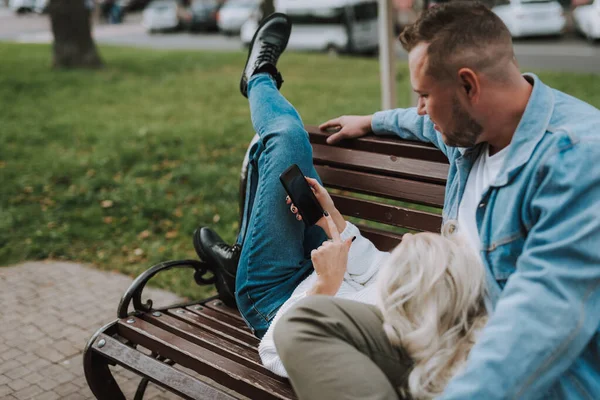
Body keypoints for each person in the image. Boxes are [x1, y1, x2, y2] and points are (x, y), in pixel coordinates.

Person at [270, 2, 600, 400]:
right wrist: (372, 121)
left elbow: (541, 325)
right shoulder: (475, 131)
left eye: (425, 94)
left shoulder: (578, 162)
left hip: (518, 372)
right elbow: (422, 122)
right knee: (305, 323)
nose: (421, 108)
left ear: (469, 85)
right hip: (443, 333)